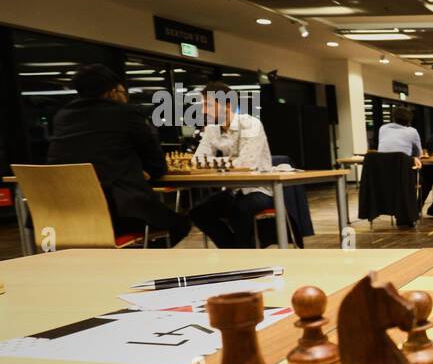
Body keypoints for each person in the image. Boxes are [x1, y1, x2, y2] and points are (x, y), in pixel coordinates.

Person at [46, 63, 191, 246]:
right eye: (123, 92)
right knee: (180, 224)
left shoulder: (62, 116)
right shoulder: (126, 113)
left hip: (64, 214)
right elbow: (156, 165)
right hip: (118, 213)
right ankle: (136, 266)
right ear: (112, 91)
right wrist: (142, 171)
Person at [188, 81, 275, 248]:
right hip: (233, 190)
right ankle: (235, 251)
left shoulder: (251, 124)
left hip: (259, 189)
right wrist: (227, 162)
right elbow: (196, 161)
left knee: (239, 210)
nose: (203, 110)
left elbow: (247, 164)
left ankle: (240, 255)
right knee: (198, 213)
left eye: (208, 105)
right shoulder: (212, 129)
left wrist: (212, 163)